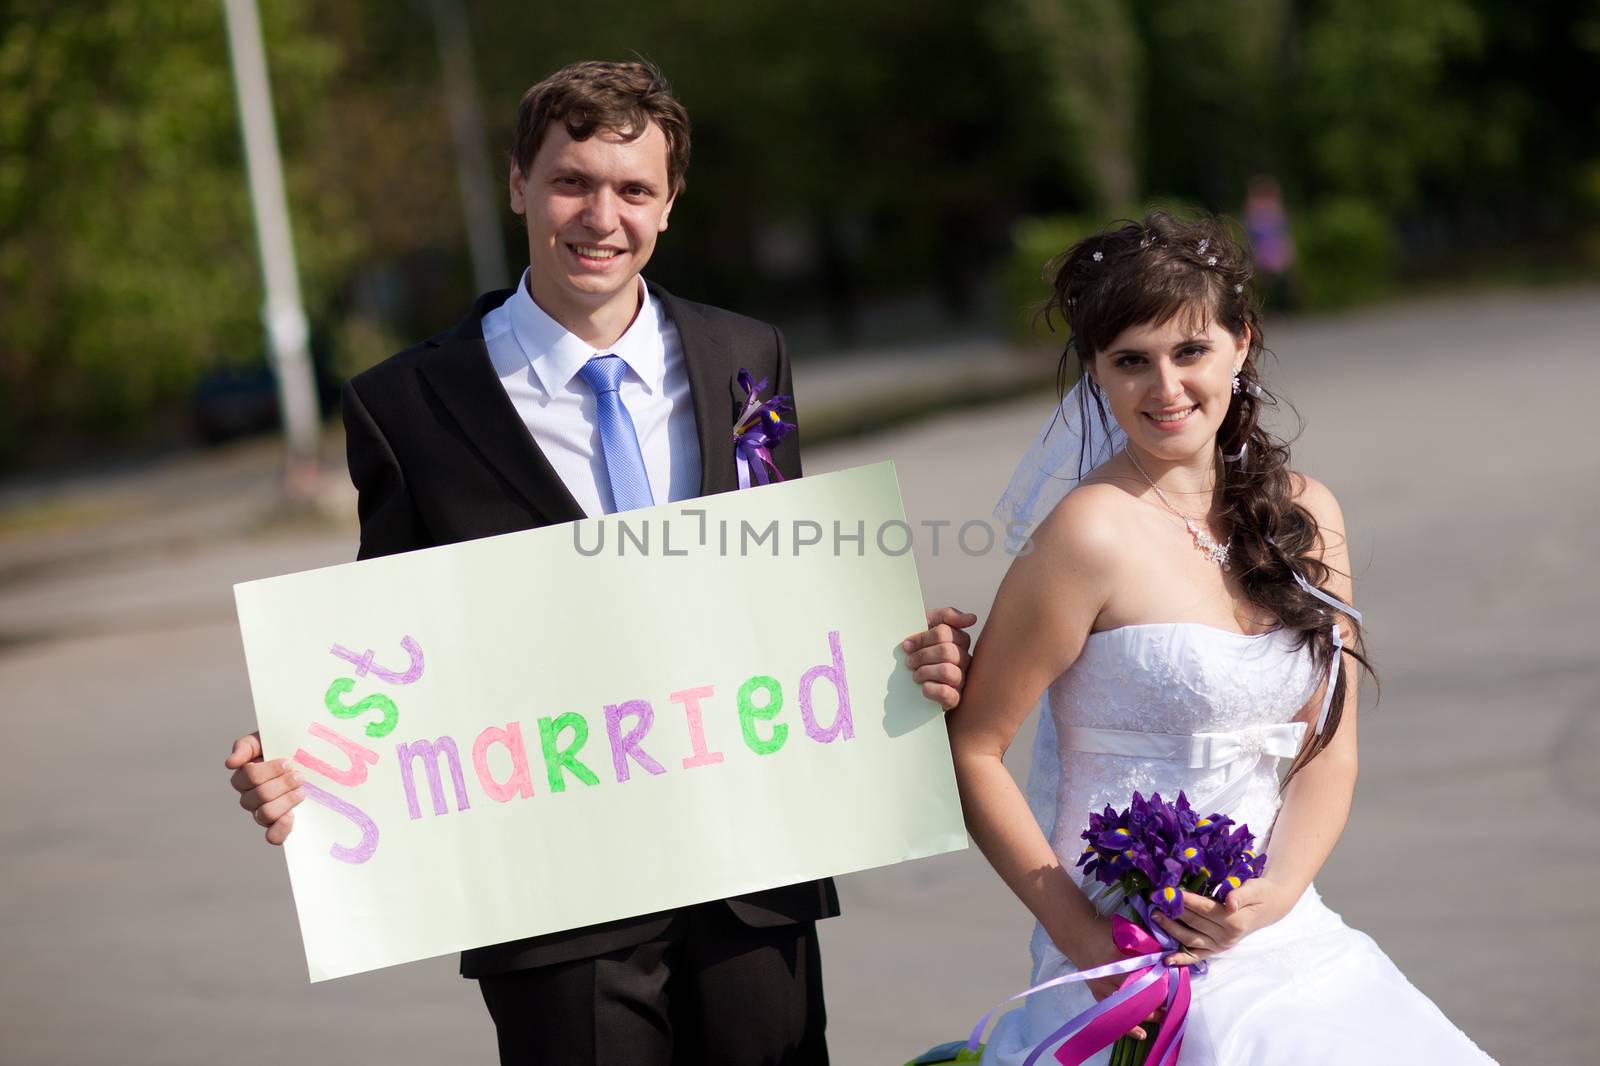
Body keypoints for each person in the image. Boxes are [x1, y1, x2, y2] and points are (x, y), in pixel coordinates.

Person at [224, 60, 975, 1066]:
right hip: (554, 891)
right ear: (517, 186)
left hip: (754, 858)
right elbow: (389, 646)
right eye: (571, 181)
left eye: (632, 189)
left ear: (668, 204)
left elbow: (788, 590)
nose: (600, 216)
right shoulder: (405, 404)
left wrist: (900, 650)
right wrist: (304, 760)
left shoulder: (747, 357)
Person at [947, 211, 1495, 1063]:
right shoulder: (1088, 534)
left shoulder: (1307, 514)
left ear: (1242, 344)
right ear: (1095, 371)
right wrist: (1090, 946)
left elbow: (1329, 751)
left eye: (1189, 351)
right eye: (1130, 360)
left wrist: (1273, 897)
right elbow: (975, 749)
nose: (1164, 388)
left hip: (1281, 929)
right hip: (1128, 950)